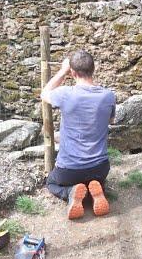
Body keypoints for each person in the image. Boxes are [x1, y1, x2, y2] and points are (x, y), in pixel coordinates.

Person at [40, 50, 116, 220]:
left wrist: (62, 71)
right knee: (93, 180)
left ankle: (70, 192)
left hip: (69, 170)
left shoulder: (66, 94)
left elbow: (44, 93)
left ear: (72, 72)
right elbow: (111, 121)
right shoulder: (109, 96)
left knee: (50, 182)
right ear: (93, 69)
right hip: (100, 167)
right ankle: (97, 189)